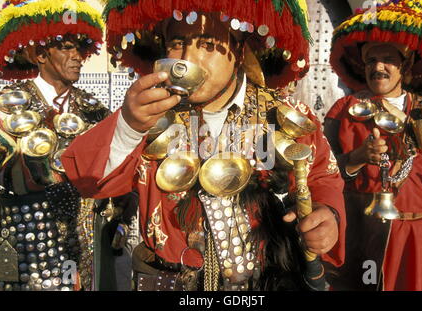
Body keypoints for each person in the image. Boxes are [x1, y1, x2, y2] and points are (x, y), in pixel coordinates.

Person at [63, 0, 346, 291]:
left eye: (208, 44)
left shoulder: (285, 115)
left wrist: (327, 214)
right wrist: (129, 126)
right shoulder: (147, 115)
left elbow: (322, 177)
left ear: (238, 50)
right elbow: (89, 180)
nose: (188, 60)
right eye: (177, 43)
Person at [324, 0, 422, 291]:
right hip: (369, 238)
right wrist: (356, 158)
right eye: (370, 61)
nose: (378, 68)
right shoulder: (344, 110)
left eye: (387, 60)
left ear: (404, 66)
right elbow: (322, 174)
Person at [0, 0, 111, 291]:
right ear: (39, 54)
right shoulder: (8, 107)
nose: (77, 57)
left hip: (84, 236)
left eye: (80, 48)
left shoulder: (94, 109)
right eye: (66, 47)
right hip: (30, 235)